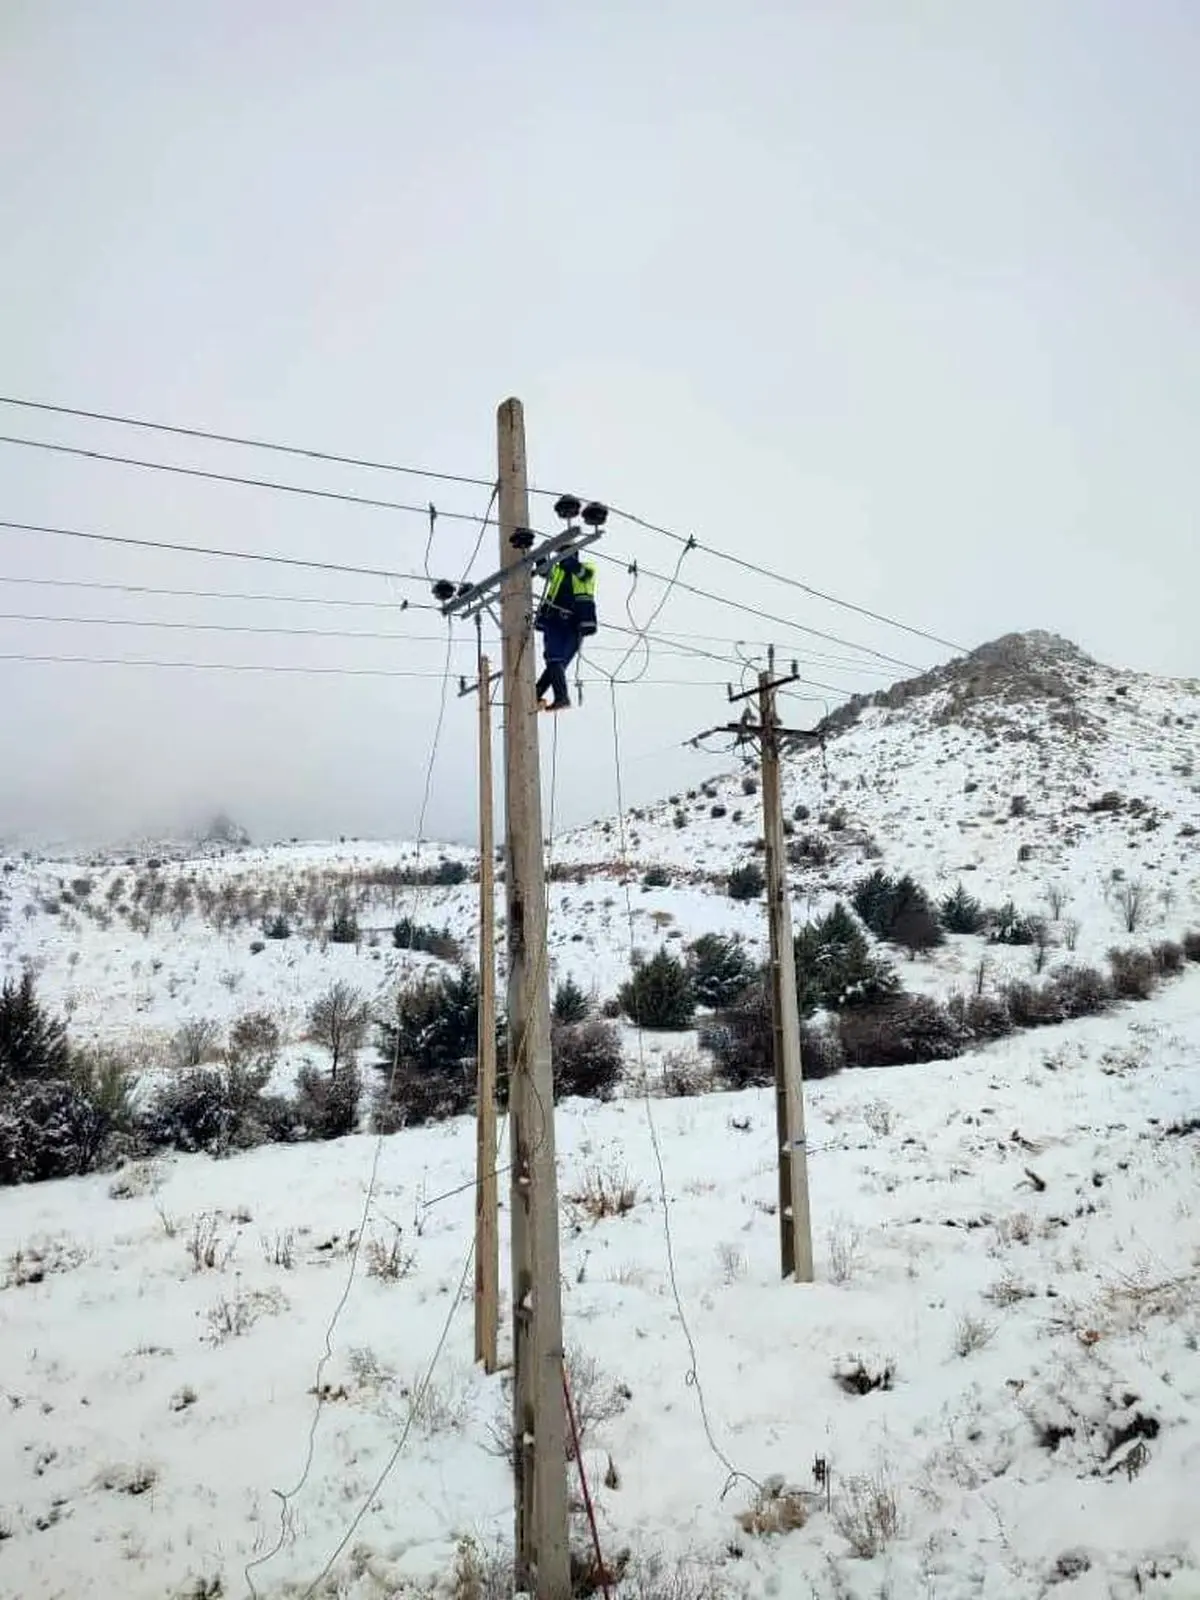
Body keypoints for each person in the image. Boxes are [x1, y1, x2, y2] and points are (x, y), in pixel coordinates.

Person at [534, 550, 597, 710]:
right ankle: (546, 694)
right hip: (554, 620)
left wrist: (565, 557)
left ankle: (547, 693)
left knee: (557, 662)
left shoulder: (587, 568)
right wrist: (541, 555)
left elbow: (583, 574)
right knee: (554, 659)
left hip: (575, 624)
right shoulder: (558, 571)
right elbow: (544, 571)